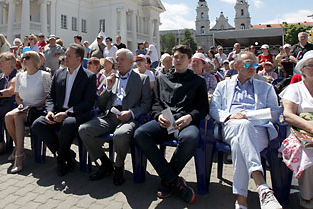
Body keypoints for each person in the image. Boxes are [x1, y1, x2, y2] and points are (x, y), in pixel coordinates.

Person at [134, 45, 208, 203]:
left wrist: (189, 117)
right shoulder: (162, 78)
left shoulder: (198, 81)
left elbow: (202, 108)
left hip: (185, 122)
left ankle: (167, 180)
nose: (179, 60)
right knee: (140, 133)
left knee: (191, 138)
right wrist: (159, 114)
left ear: (189, 60)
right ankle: (173, 181)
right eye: (176, 57)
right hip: (165, 121)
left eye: (182, 57)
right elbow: (155, 103)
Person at [209, 51, 282, 209]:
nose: (252, 67)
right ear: (236, 66)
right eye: (247, 64)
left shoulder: (266, 87)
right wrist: (230, 116)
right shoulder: (223, 86)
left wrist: (249, 117)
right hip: (229, 125)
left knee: (238, 144)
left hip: (258, 129)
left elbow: (275, 113)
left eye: (255, 64)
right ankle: (262, 185)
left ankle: (241, 201)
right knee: (242, 126)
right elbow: (214, 109)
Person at [78, 48, 151, 185]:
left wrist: (131, 113)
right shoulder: (112, 78)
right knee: (84, 129)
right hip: (109, 116)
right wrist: (108, 88)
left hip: (128, 118)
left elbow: (147, 104)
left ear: (131, 62)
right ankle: (105, 163)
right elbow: (100, 104)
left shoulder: (142, 79)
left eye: (121, 59)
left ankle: (119, 166)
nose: (118, 62)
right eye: (117, 59)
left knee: (121, 135)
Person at [280, 50, 313, 209]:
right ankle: (307, 197)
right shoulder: (295, 88)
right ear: (302, 69)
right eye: (310, 65)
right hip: (303, 132)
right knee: (307, 152)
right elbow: (288, 115)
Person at [31, 44, 96, 177]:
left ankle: (61, 160)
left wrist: (66, 113)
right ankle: (66, 154)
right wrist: (49, 111)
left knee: (68, 124)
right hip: (57, 112)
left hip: (77, 114)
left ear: (78, 59)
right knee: (38, 124)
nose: (64, 57)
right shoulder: (59, 73)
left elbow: (87, 103)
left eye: (68, 55)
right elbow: (50, 97)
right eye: (65, 54)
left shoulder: (89, 77)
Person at [5, 51, 51, 173]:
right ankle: (18, 148)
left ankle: (19, 155)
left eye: (27, 57)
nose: (24, 59)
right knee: (8, 116)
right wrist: (20, 104)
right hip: (24, 106)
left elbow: (47, 97)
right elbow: (17, 97)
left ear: (35, 60)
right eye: (23, 57)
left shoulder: (44, 75)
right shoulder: (20, 76)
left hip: (38, 108)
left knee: (18, 117)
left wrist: (33, 106)